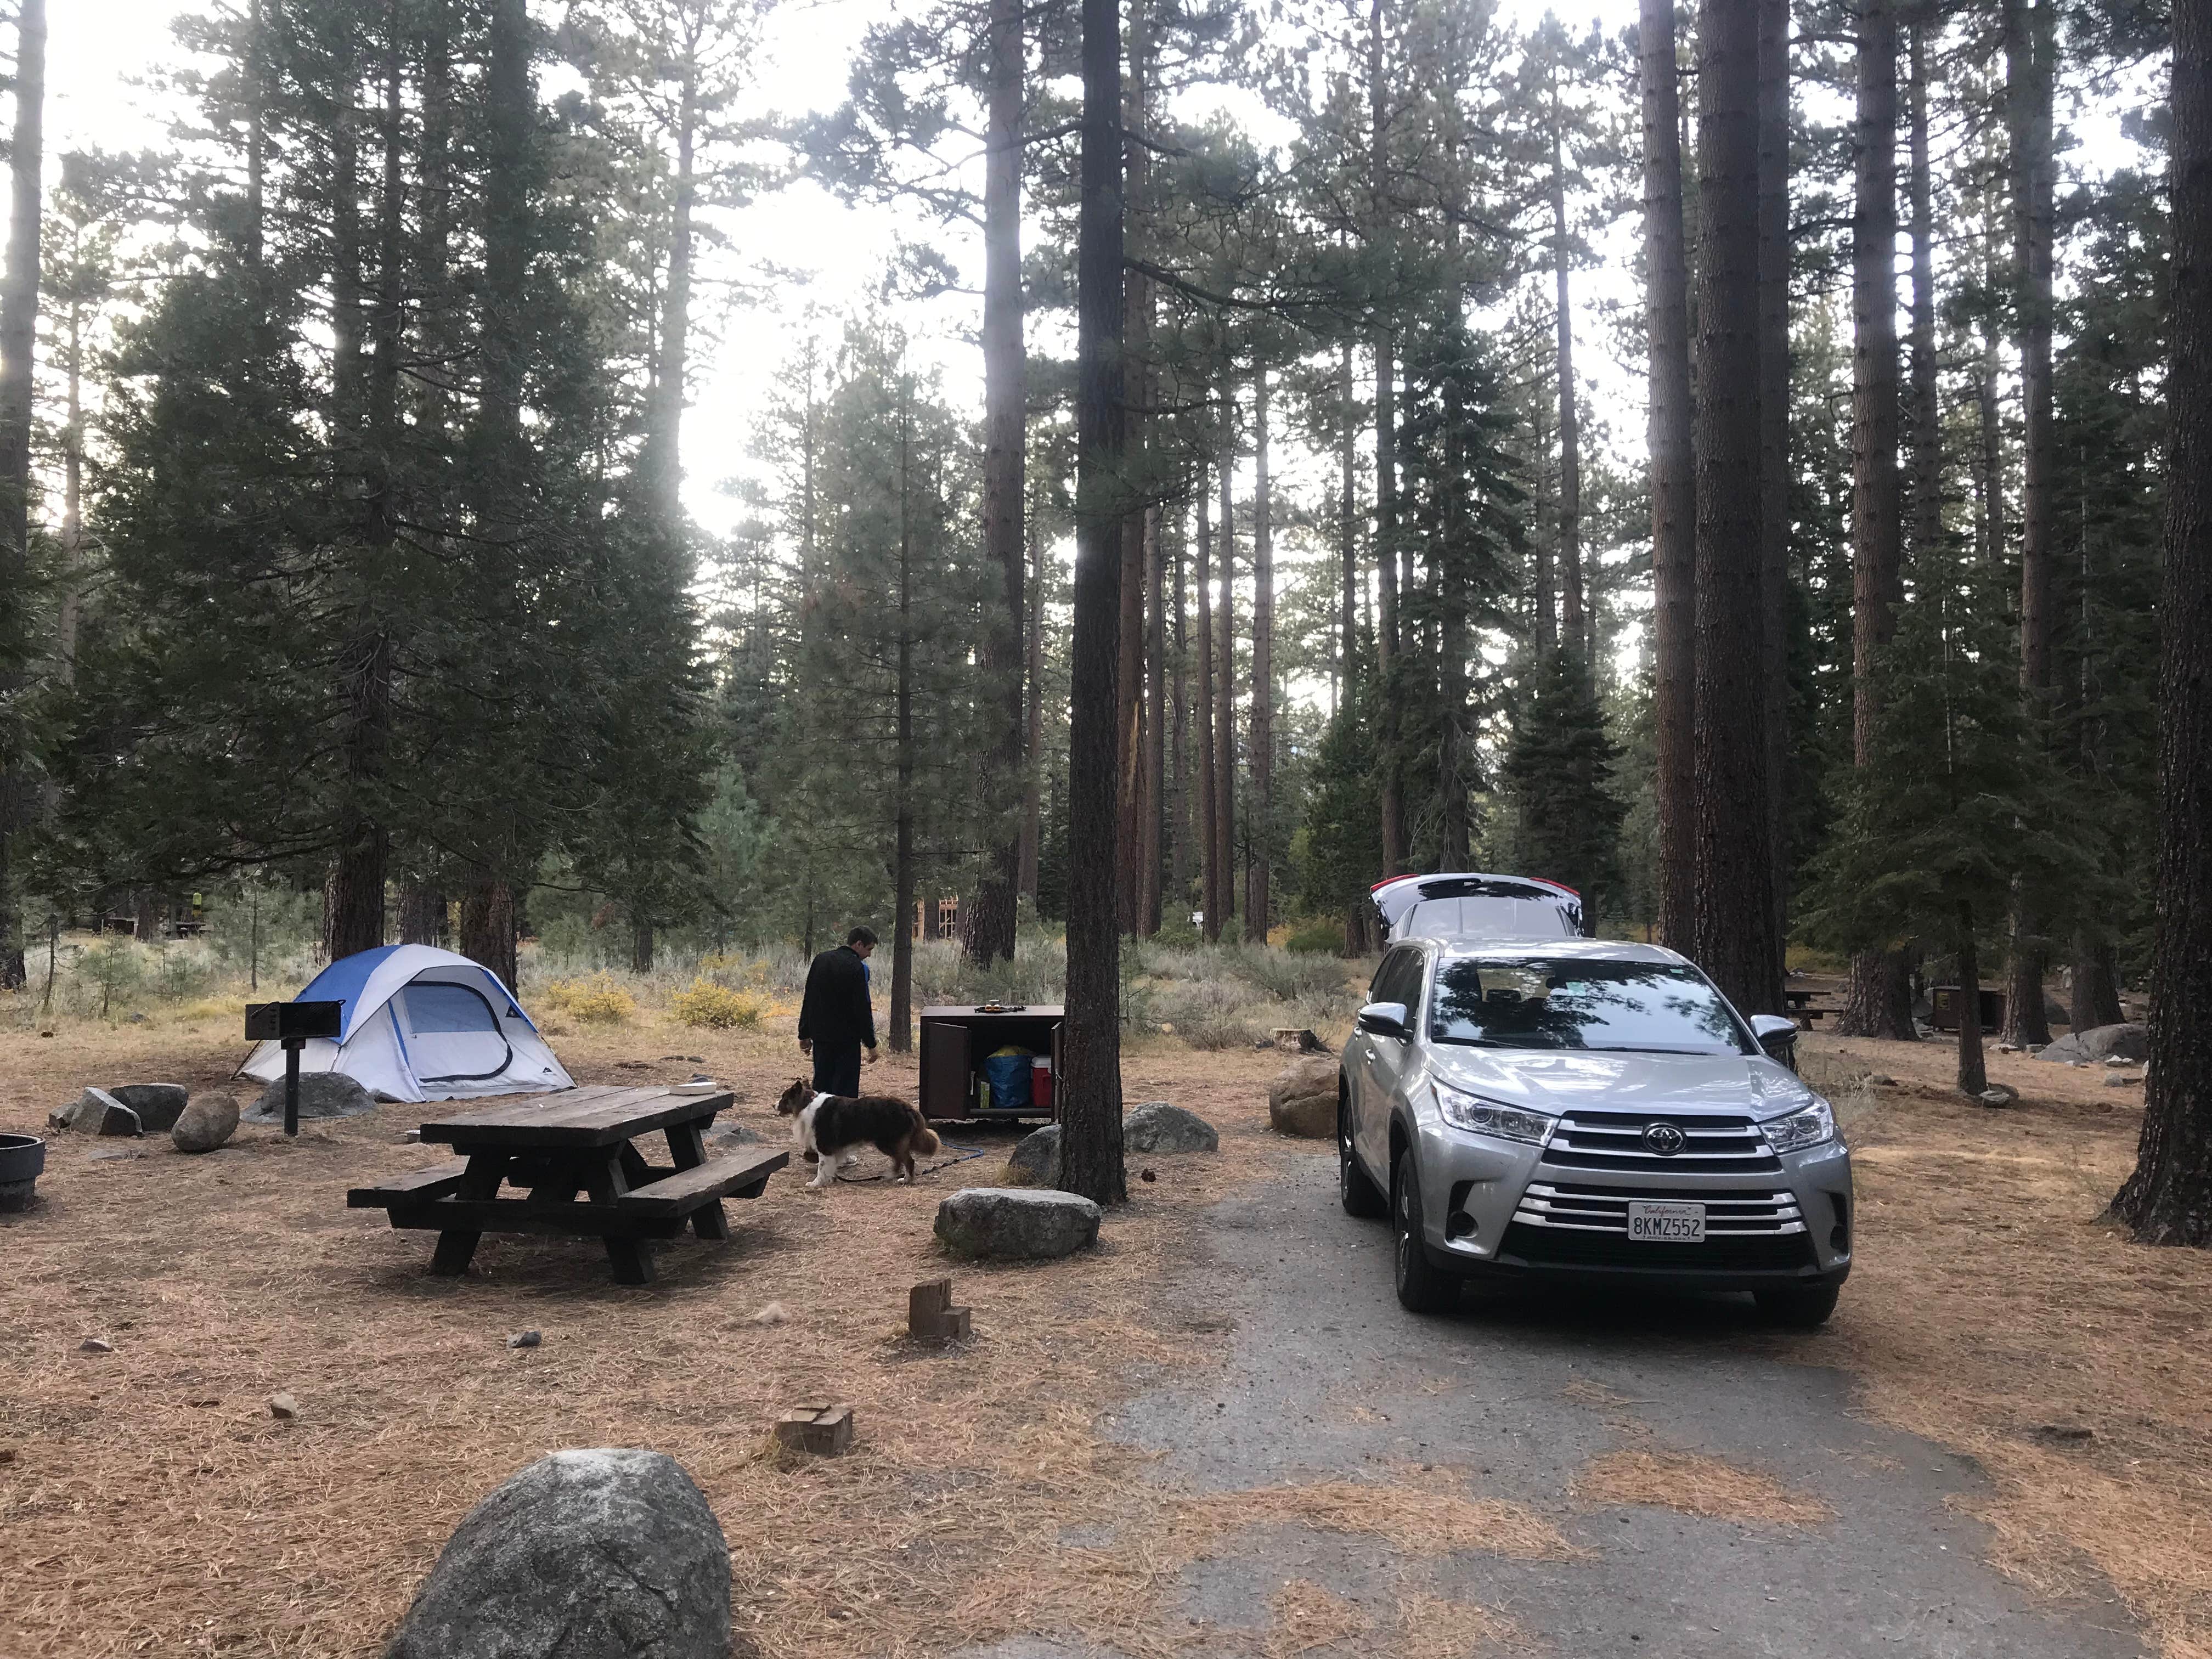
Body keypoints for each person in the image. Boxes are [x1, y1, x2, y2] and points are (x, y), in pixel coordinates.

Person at [798, 926, 878, 1096]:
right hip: (847, 1040)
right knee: (845, 1090)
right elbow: (862, 1008)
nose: (869, 955)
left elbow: (809, 998)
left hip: (822, 1037)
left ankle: (819, 1121)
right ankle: (844, 1123)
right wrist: (870, 1044)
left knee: (821, 1087)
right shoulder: (858, 968)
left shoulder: (821, 960)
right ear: (858, 944)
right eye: (869, 949)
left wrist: (804, 1034)